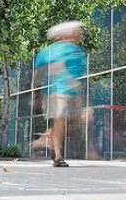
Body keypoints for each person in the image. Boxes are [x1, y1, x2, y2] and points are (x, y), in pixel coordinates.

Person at [33, 21, 86, 167]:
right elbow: (40, 74)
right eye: (76, 31)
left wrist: (78, 93)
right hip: (56, 92)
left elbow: (79, 74)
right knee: (60, 120)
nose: (78, 34)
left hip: (73, 93)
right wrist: (36, 94)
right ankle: (58, 156)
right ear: (64, 34)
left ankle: (47, 137)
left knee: (76, 124)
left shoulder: (77, 51)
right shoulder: (49, 51)